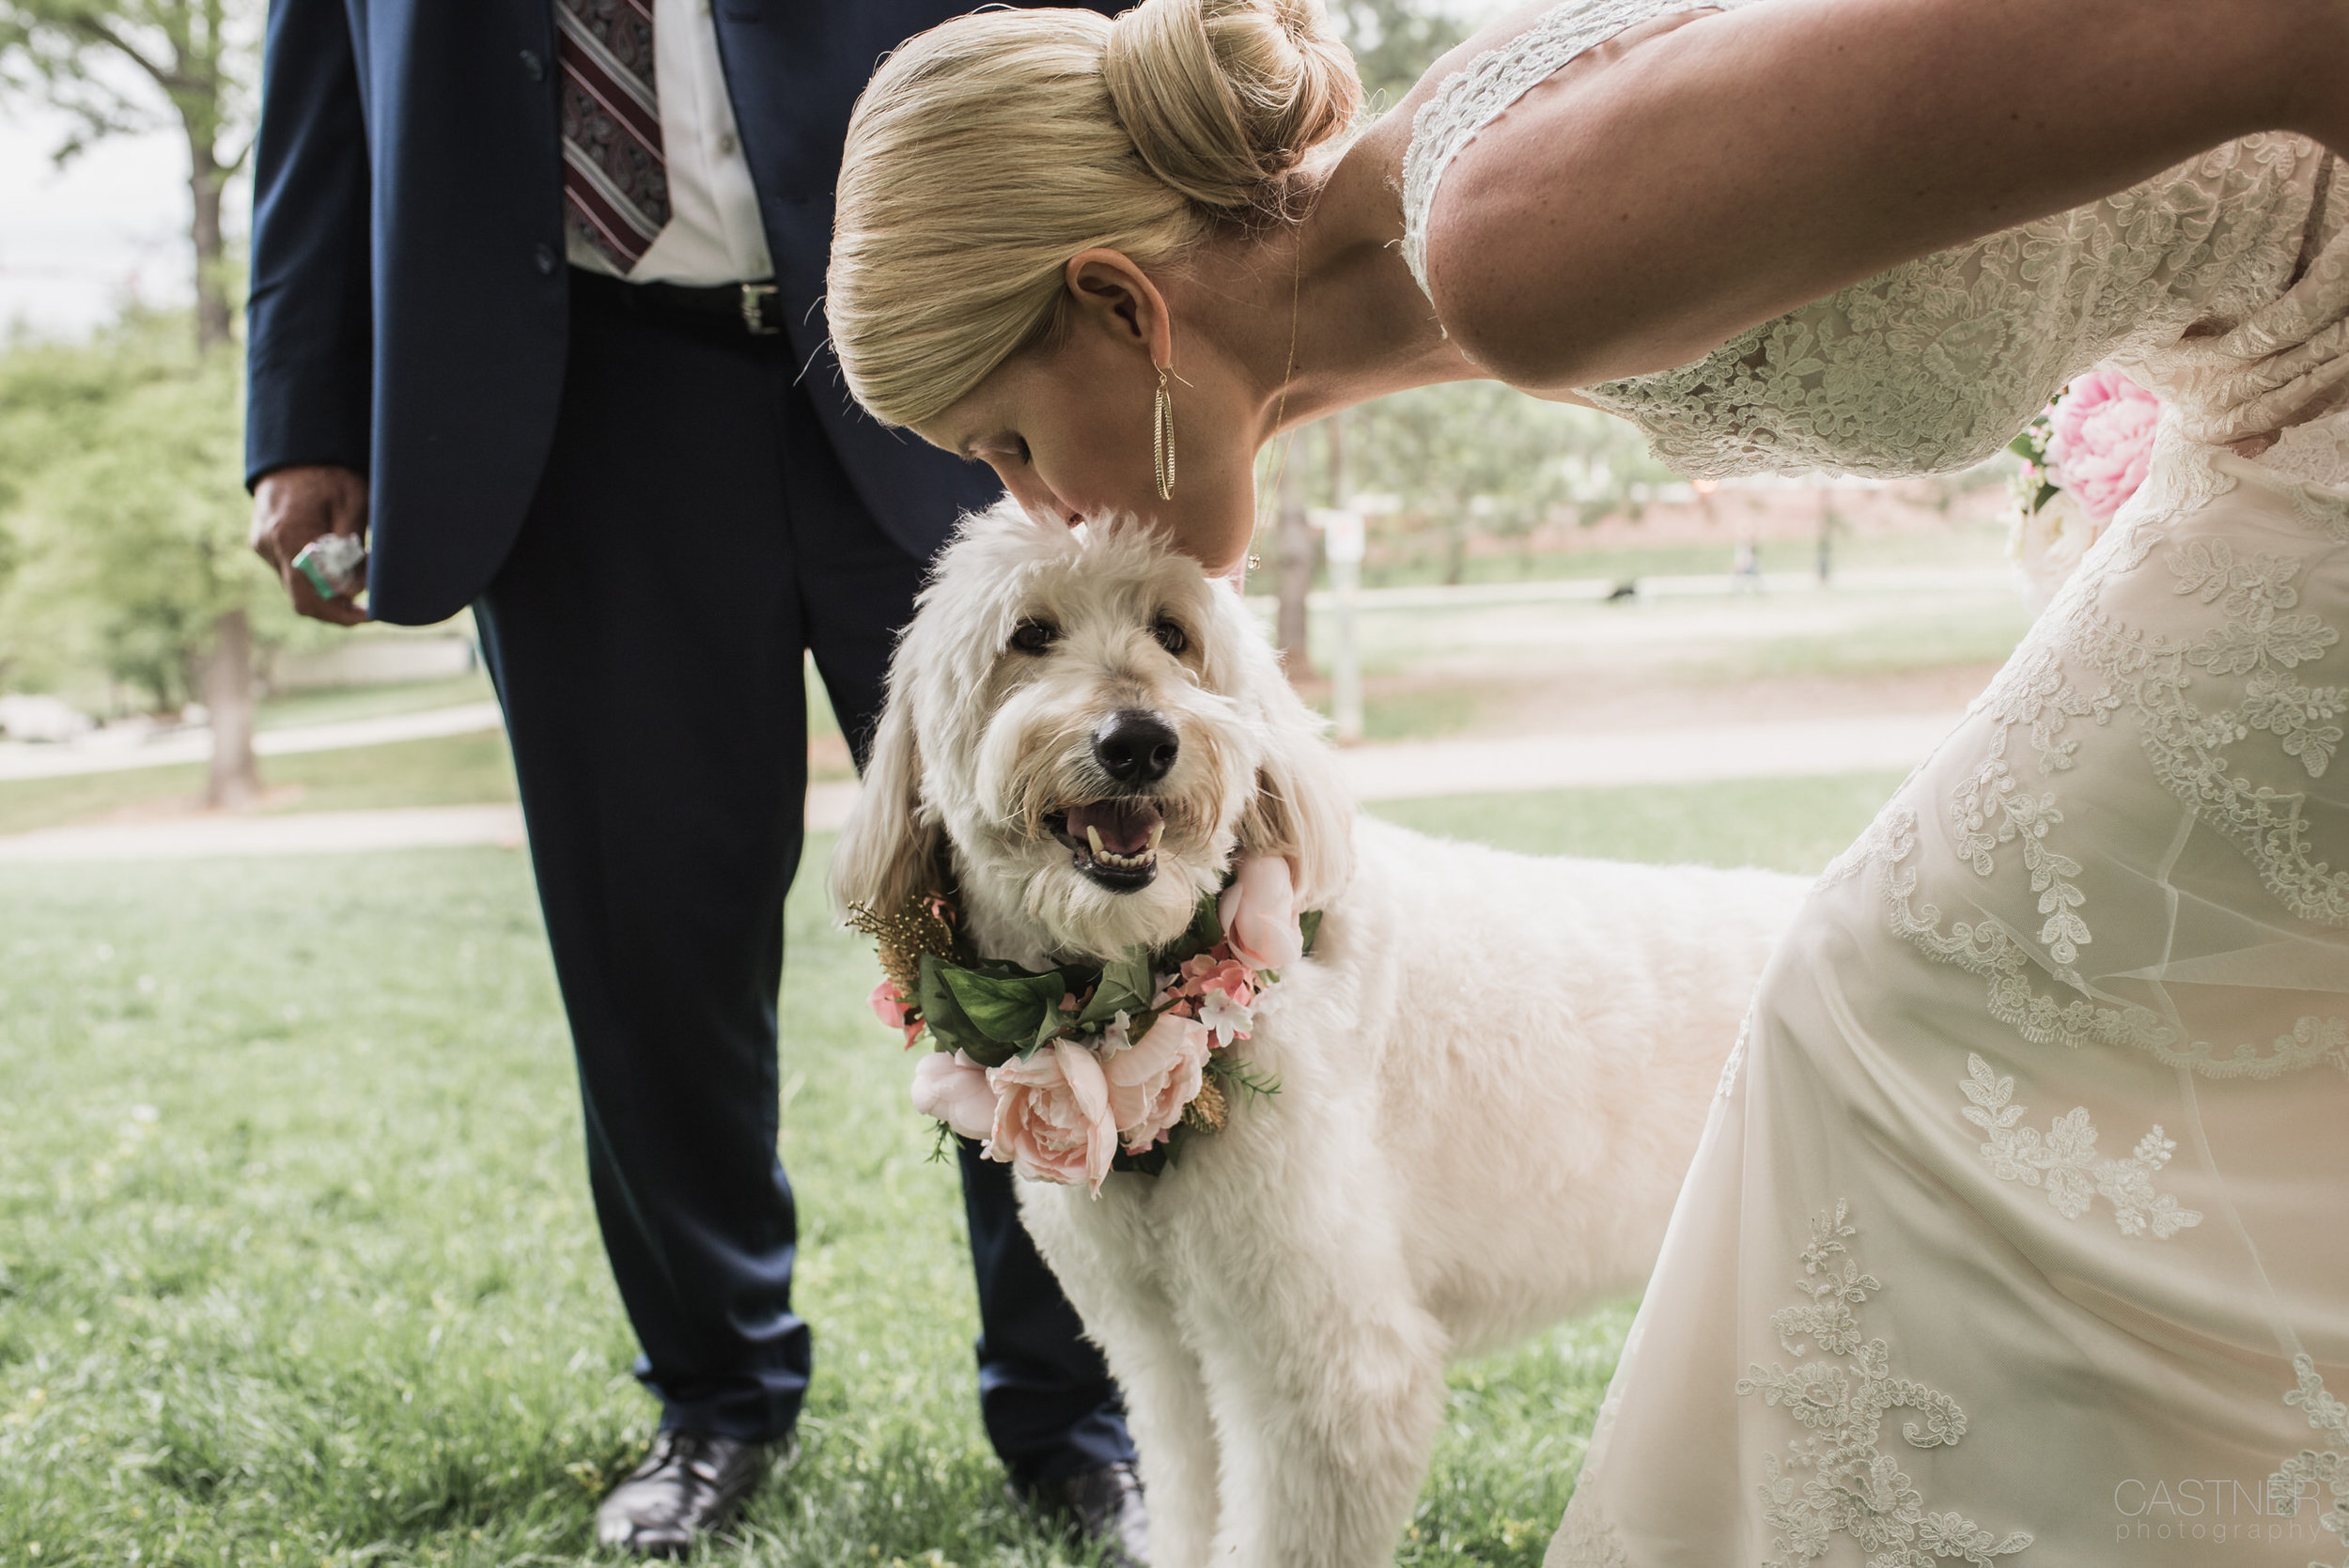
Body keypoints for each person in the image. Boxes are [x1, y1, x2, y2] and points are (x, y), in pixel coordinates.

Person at [821, 0, 2349, 1561]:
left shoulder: (1511, 240)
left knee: (1888, 1007)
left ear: (1119, 305)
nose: (1044, 504)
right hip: (2250, 418)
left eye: (1007, 438)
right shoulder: (1429, 283)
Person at [240, 2, 1151, 1559]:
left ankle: (1086, 1406)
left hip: (939, 339)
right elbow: (326, 55)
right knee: (643, 939)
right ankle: (717, 1396)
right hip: (575, 397)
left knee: (1051, 917)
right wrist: (308, 407)